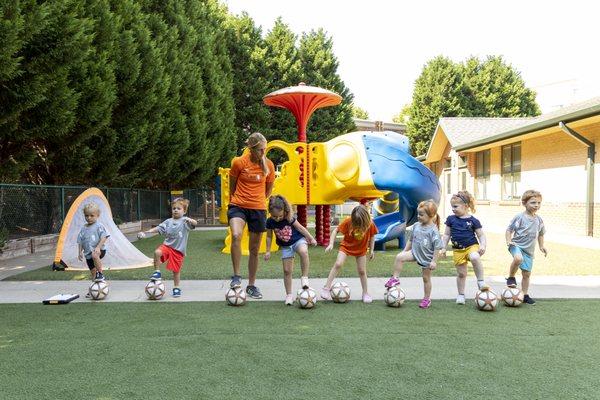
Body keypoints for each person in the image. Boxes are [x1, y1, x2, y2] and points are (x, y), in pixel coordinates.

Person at [227, 132, 275, 299]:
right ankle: (236, 276)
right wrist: (236, 200)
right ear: (251, 149)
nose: (263, 153)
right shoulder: (239, 163)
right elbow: (232, 186)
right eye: (260, 150)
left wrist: (257, 201)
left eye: (265, 149)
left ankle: (252, 285)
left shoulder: (268, 165)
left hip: (258, 209)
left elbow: (268, 190)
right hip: (238, 206)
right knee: (236, 234)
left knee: (254, 250)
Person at [384, 200, 443, 309]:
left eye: (421, 214)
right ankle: (395, 278)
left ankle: (426, 299)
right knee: (399, 257)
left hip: (427, 258)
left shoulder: (433, 231)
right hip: (414, 253)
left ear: (431, 215)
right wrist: (405, 251)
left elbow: (437, 247)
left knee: (426, 279)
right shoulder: (416, 225)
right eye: (418, 214)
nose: (418, 216)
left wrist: (434, 261)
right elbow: (411, 240)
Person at [137, 198, 197, 297]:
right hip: (167, 246)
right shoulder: (168, 221)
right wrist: (147, 232)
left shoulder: (185, 222)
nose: (176, 210)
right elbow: (159, 228)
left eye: (179, 208)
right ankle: (157, 272)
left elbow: (195, 224)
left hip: (178, 250)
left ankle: (176, 288)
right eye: (174, 208)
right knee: (157, 252)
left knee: (176, 271)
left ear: (184, 211)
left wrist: (191, 220)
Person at [264, 195, 317, 305]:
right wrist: (268, 250)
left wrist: (311, 238)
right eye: (274, 216)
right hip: (286, 246)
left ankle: (304, 277)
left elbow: (300, 228)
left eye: (279, 216)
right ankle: (289, 295)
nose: (277, 219)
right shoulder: (270, 222)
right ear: (270, 213)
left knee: (303, 251)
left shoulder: (289, 218)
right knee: (287, 271)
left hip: (298, 240)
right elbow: (269, 236)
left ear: (284, 210)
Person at [440, 191, 490, 305]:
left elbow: (481, 235)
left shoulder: (473, 221)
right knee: (461, 274)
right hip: (458, 250)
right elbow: (446, 235)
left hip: (472, 246)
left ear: (466, 206)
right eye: (452, 206)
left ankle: (481, 281)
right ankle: (461, 295)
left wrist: (483, 245)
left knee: (474, 256)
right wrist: (443, 247)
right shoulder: (451, 219)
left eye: (455, 206)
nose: (453, 209)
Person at [321, 204, 378, 303]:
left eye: (360, 224)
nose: (357, 225)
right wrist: (331, 244)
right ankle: (326, 288)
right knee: (338, 264)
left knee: (362, 271)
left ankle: (365, 293)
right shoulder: (348, 221)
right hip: (346, 247)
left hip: (361, 249)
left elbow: (372, 236)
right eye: (356, 223)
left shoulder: (370, 224)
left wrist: (372, 250)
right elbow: (335, 230)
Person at [506, 190, 548, 305]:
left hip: (529, 251)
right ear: (524, 203)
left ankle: (524, 295)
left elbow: (540, 234)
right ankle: (511, 277)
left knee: (526, 274)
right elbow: (509, 230)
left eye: (539, 203)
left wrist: (541, 246)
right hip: (516, 245)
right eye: (533, 202)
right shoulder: (519, 217)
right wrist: (509, 241)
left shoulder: (539, 220)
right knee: (518, 259)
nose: (536, 205)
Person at [77, 202, 109, 285]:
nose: (89, 218)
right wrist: (80, 252)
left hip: (99, 250)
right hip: (88, 254)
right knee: (93, 273)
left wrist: (98, 247)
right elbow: (80, 241)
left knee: (95, 255)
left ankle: (101, 274)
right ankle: (94, 289)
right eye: (86, 216)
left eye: (92, 215)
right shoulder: (83, 228)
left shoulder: (99, 226)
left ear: (97, 215)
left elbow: (104, 237)